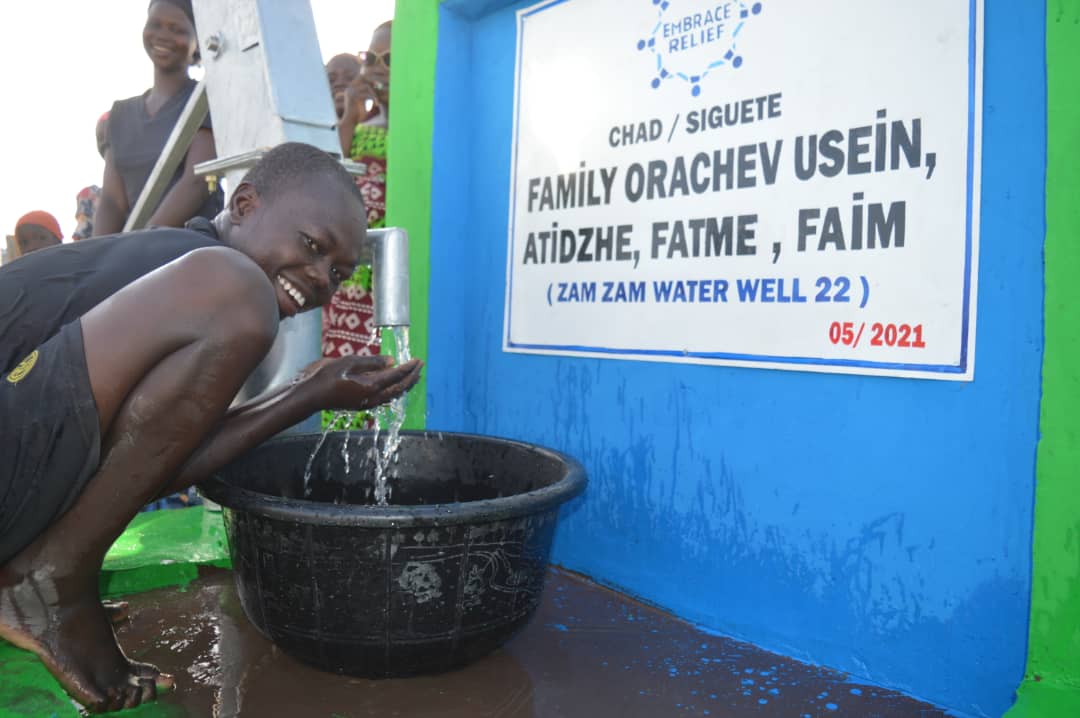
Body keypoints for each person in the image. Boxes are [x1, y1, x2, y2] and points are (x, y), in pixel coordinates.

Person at [0, 142, 422, 713]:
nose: (321, 279)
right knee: (238, 289)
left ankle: (46, 577)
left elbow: (140, 463)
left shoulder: (183, 285)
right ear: (244, 205)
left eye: (339, 274)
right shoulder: (210, 276)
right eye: (312, 246)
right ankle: (48, 583)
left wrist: (307, 393)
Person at [94, 0, 222, 236]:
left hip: (191, 244)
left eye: (177, 29)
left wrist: (141, 243)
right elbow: (112, 201)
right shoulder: (120, 115)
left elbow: (197, 182)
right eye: (155, 24)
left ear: (197, 41)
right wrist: (99, 251)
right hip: (133, 248)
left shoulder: (206, 99)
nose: (163, 35)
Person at [322, 22, 392, 417]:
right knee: (340, 376)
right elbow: (332, 178)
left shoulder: (417, 126)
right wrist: (350, 116)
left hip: (385, 280)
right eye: (372, 58)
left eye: (390, 59)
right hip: (349, 284)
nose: (378, 68)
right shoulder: (362, 127)